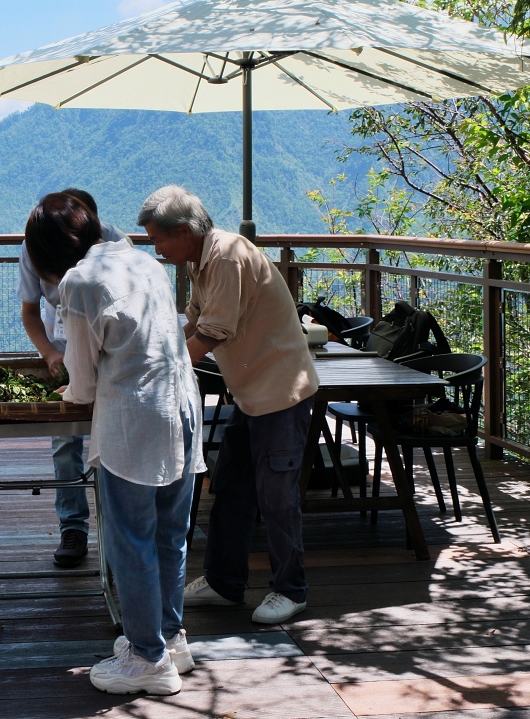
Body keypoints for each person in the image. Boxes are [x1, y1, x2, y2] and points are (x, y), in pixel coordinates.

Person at [25, 192, 203, 696]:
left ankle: (148, 659)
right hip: (182, 406)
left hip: (135, 420)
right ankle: (170, 639)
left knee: (130, 540)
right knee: (170, 534)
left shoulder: (81, 281)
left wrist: (71, 390)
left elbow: (82, 380)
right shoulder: (144, 262)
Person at [138, 185, 319, 626]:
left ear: (183, 231)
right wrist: (150, 357)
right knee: (232, 488)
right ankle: (224, 583)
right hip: (251, 393)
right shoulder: (204, 260)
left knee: (276, 495)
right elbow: (194, 323)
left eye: (159, 240)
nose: (158, 250)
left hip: (280, 392)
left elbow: (213, 333)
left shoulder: (225, 256)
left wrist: (161, 370)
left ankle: (290, 590)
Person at [17, 187, 127, 568]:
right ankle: (73, 527)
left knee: (112, 438)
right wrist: (50, 353)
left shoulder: (114, 244)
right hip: (65, 346)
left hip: (111, 348)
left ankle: (117, 532)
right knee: (66, 443)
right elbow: (30, 312)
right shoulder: (35, 247)